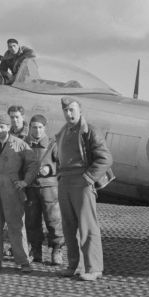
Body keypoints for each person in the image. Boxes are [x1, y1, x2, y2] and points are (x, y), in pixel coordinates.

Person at [55, 97, 114, 282]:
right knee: (68, 226)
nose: (68, 113)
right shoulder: (63, 131)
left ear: (80, 109)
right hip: (65, 182)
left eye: (72, 109)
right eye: (65, 110)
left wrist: (88, 178)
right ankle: (74, 266)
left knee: (87, 227)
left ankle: (94, 268)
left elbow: (105, 159)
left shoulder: (90, 130)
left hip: (82, 182)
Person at [0, 113, 38, 271]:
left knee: (16, 225)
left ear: (9, 127)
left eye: (2, 127)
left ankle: (24, 261)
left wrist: (25, 181)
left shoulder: (20, 144)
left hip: (12, 188)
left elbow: (33, 164)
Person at [16, 115, 64, 265]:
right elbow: (19, 166)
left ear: (45, 128)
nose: (37, 131)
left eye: (40, 127)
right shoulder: (24, 145)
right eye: (34, 127)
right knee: (31, 220)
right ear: (29, 128)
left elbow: (62, 164)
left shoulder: (53, 144)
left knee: (53, 220)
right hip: (30, 188)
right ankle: (35, 250)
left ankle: (56, 249)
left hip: (49, 187)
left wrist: (50, 170)